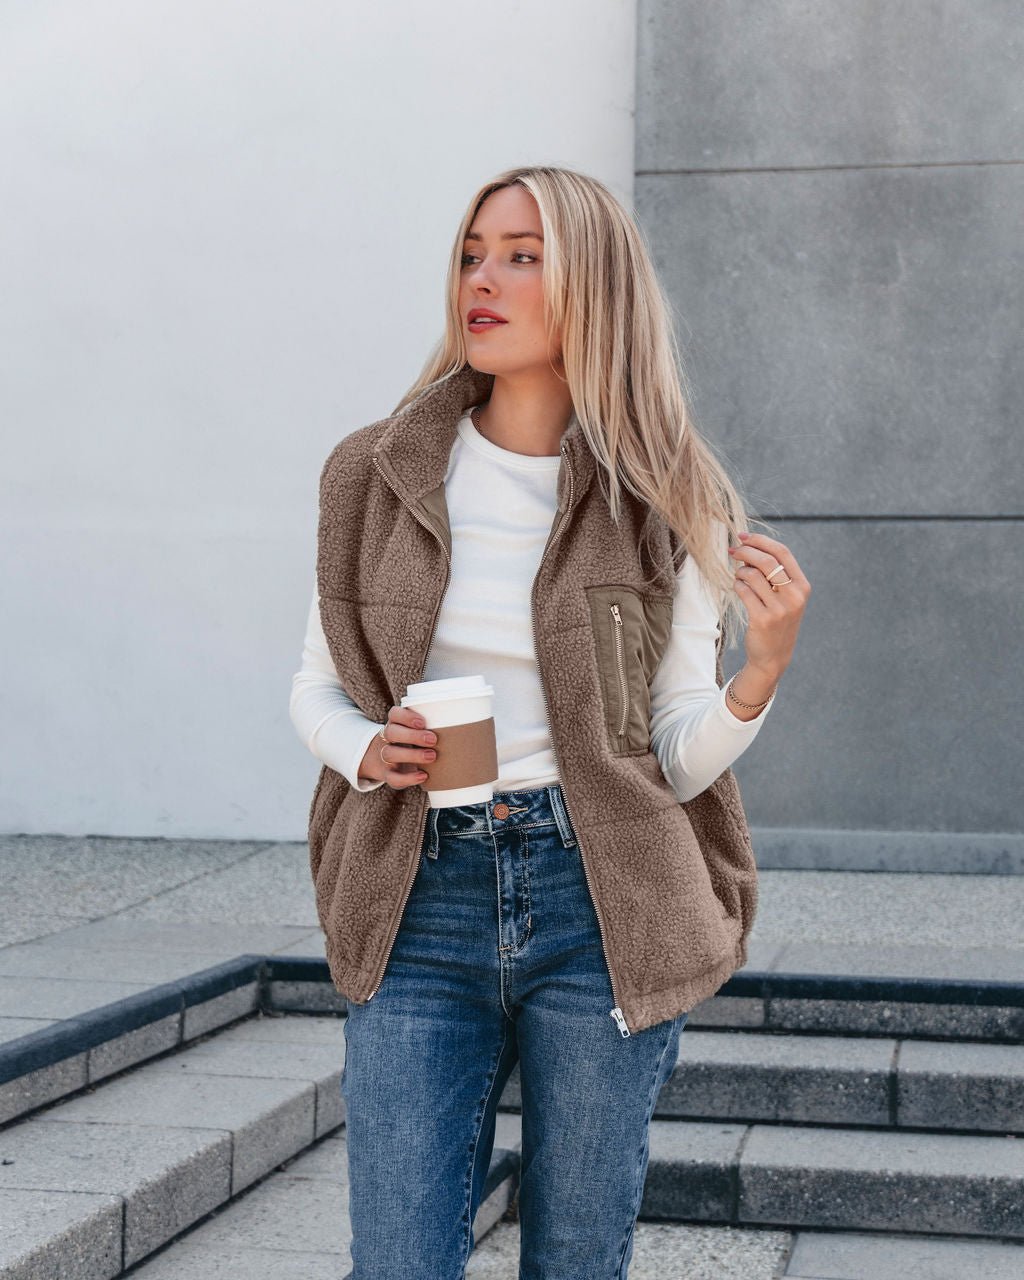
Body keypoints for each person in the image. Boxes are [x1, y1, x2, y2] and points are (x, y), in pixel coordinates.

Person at [289, 165, 810, 1279]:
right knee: (398, 1260)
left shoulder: (668, 500)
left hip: (599, 899)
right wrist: (367, 748)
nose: (484, 277)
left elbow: (668, 751)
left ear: (594, 285)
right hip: (418, 894)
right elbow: (314, 688)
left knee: (577, 1257)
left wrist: (757, 671)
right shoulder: (372, 474)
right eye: (475, 251)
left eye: (523, 254)